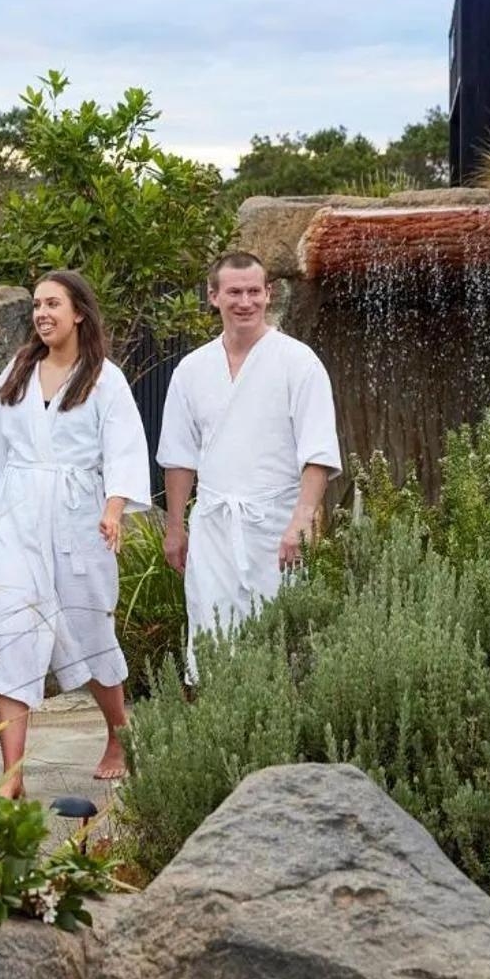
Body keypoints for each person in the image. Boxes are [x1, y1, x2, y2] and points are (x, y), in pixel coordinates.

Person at [0, 270, 151, 799]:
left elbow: (123, 448)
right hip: (18, 517)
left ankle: (119, 735)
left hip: (79, 518)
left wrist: (114, 508)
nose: (42, 313)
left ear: (79, 314)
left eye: (53, 304)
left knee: (89, 629)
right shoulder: (18, 372)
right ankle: (12, 775)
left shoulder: (105, 378)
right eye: (37, 305)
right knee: (12, 632)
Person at [157, 252, 340, 682]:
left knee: (284, 640)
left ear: (268, 294)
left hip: (278, 525)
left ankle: (285, 741)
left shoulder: (298, 362)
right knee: (212, 636)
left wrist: (302, 519)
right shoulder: (192, 370)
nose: (245, 302)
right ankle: (222, 739)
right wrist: (175, 526)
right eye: (235, 292)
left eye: (254, 291)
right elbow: (180, 457)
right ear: (214, 296)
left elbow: (318, 451)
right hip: (215, 526)